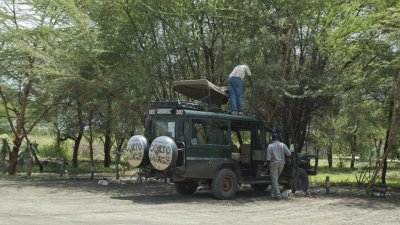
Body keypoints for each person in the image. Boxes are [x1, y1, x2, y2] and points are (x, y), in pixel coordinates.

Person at [266, 133, 291, 200]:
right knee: (276, 179)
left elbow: (268, 158)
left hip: (274, 164)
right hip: (282, 164)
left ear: (272, 138)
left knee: (274, 179)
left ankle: (277, 195)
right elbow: (289, 154)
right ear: (278, 138)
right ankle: (273, 193)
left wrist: (267, 166)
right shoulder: (282, 145)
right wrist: (288, 160)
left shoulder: (270, 146)